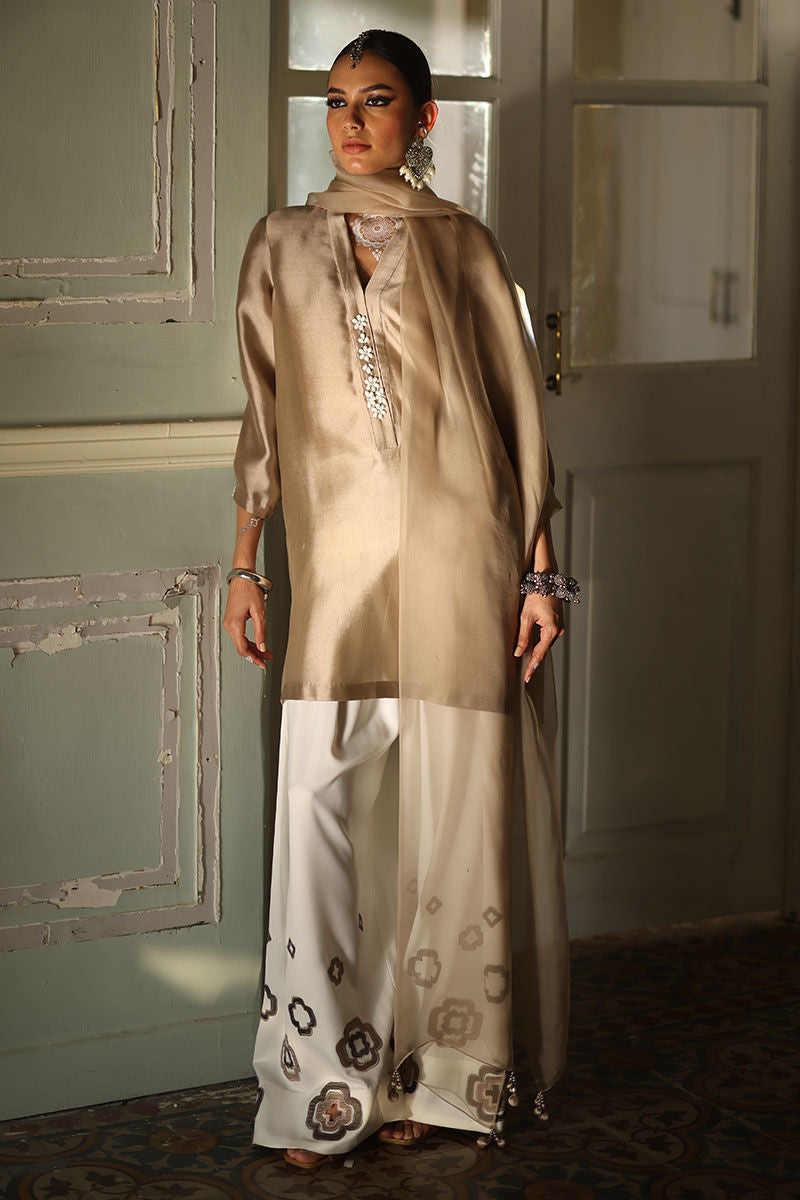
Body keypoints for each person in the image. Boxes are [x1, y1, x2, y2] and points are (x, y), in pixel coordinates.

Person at [223, 29, 576, 1171]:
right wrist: (246, 562)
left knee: (452, 823)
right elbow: (263, 418)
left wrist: (537, 574)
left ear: (422, 118)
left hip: (462, 566)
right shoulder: (280, 246)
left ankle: (446, 1076)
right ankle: (324, 1089)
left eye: (375, 101)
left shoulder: (464, 244)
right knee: (320, 821)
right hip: (337, 582)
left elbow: (517, 421)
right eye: (336, 102)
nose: (350, 122)